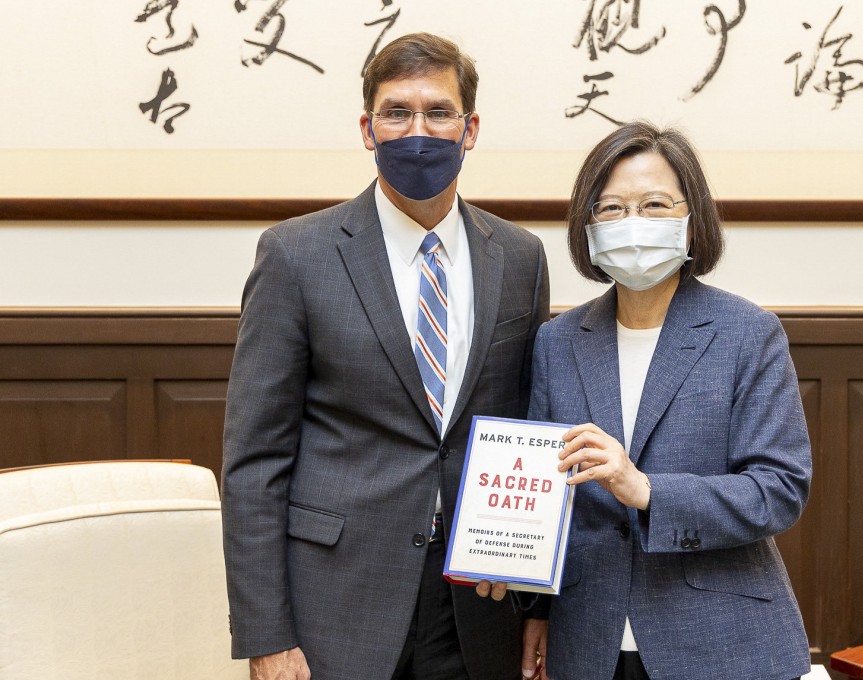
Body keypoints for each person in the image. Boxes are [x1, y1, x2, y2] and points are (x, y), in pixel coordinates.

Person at [221, 33, 549, 680]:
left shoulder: (519, 257)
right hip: (337, 603)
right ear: (368, 129)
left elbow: (528, 428)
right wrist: (266, 635)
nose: (417, 131)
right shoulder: (297, 255)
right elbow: (254, 463)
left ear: (470, 127)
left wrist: (535, 599)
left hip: (478, 605)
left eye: (438, 112)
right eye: (397, 113)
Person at [521, 122, 812, 680]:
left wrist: (648, 490)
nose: (632, 224)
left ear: (691, 220)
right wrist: (534, 608)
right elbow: (543, 491)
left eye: (654, 204)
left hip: (720, 640)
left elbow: (780, 489)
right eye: (610, 209)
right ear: (587, 228)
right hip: (587, 640)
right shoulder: (558, 342)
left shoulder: (747, 333)